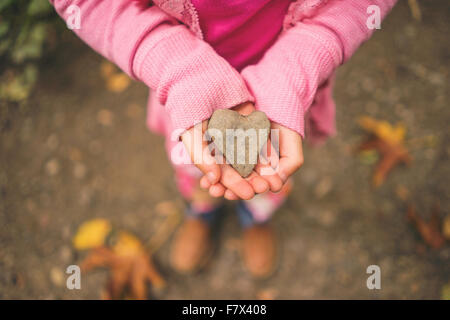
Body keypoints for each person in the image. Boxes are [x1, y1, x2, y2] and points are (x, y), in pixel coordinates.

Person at [51, 0, 397, 278]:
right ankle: (201, 212)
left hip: (284, 95)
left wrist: (304, 60)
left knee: (272, 174)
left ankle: (256, 218)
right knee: (197, 167)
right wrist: (175, 67)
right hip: (185, 90)